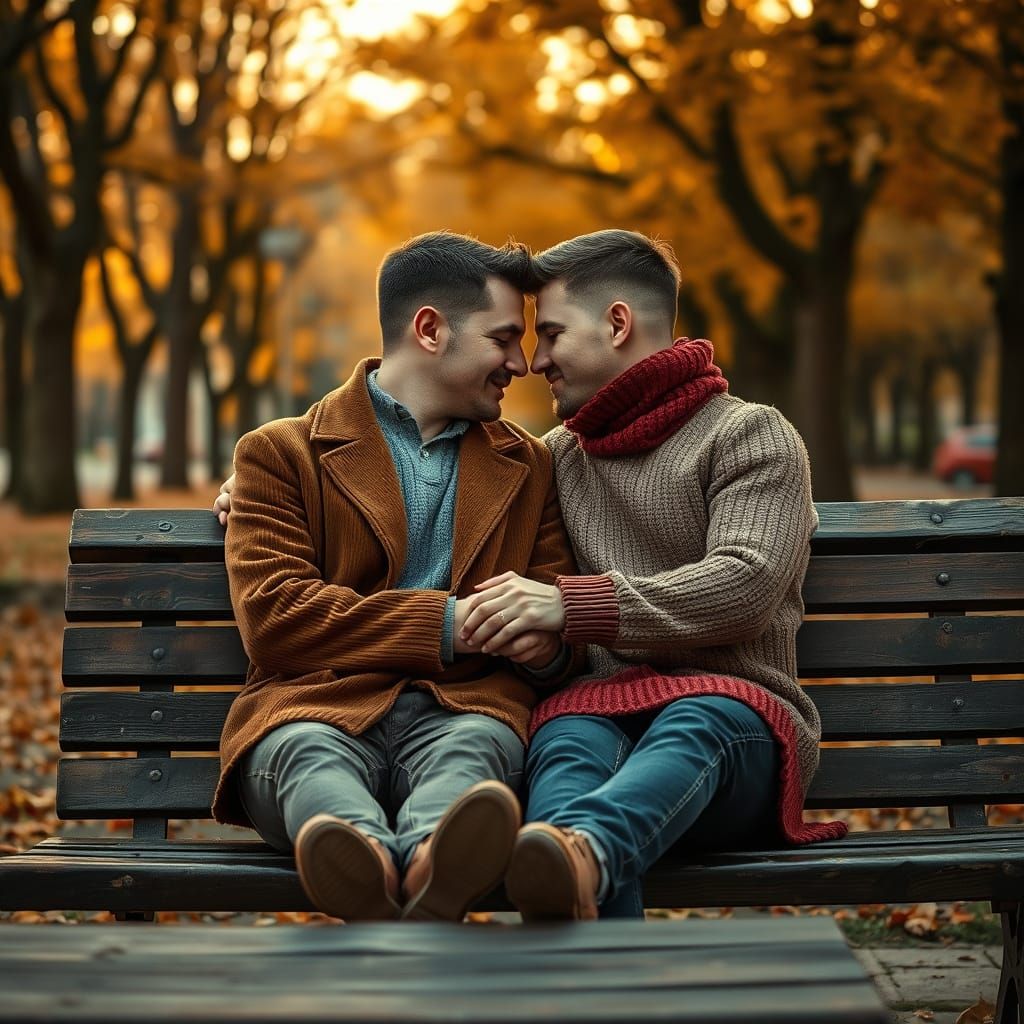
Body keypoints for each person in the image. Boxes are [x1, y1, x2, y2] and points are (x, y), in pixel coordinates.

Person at [458, 229, 846, 920]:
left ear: (617, 323)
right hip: (600, 715)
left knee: (696, 720)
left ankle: (585, 851)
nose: (533, 360)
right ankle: (572, 874)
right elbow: (435, 489)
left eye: (550, 334)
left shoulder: (751, 435)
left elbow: (745, 585)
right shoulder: (555, 458)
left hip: (741, 724)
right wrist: (264, 488)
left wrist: (573, 607)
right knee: (568, 739)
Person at [211, 231, 578, 924]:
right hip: (311, 707)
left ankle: (435, 859)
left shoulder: (532, 467)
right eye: (502, 338)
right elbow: (277, 618)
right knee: (307, 759)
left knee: (475, 756)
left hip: (465, 709)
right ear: (431, 330)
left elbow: (556, 608)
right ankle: (361, 860)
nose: (521, 362)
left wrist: (549, 644)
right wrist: (451, 624)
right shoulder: (280, 455)